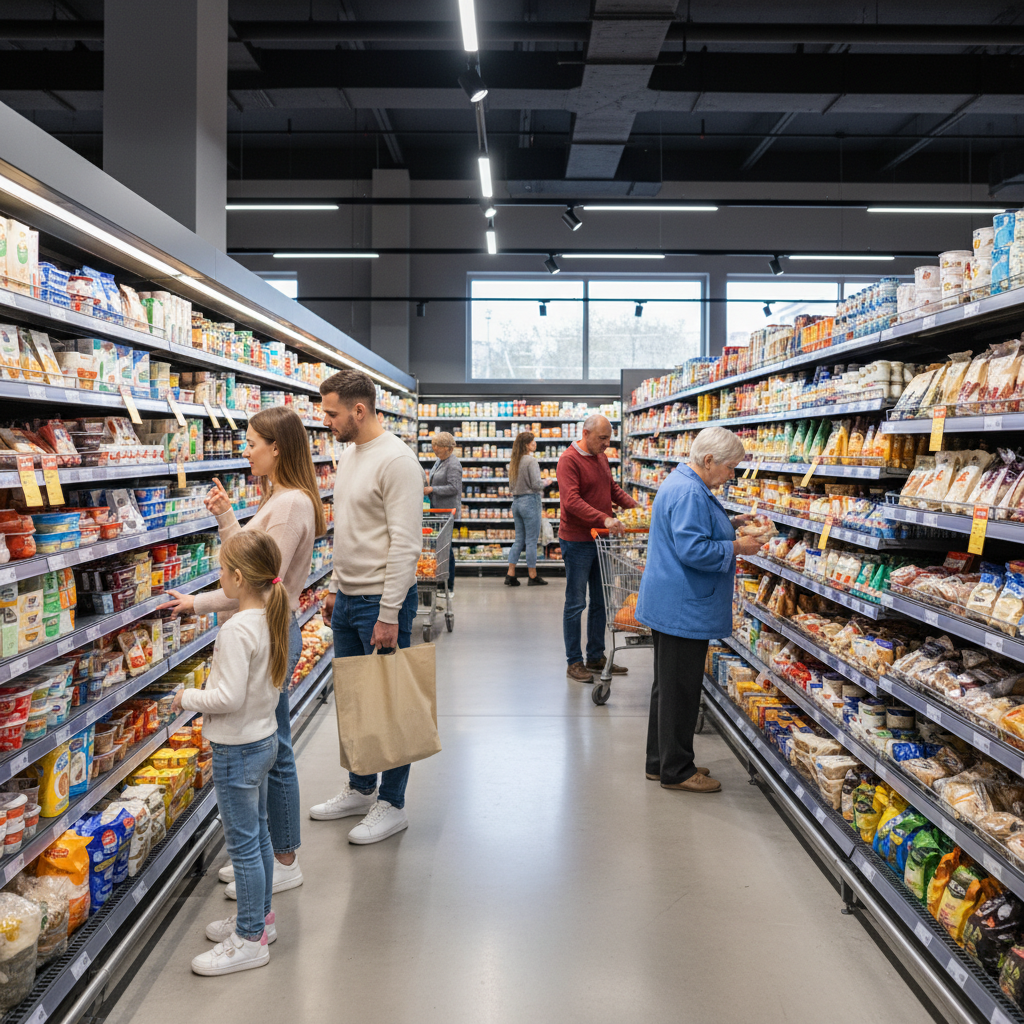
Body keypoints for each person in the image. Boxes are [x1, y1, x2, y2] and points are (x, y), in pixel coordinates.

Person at [159, 406, 325, 898]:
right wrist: (227, 517)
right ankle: (267, 857)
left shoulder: (291, 504)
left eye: (252, 442)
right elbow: (250, 563)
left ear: (277, 448)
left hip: (270, 632)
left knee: (275, 749)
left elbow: (254, 584)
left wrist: (195, 603)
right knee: (271, 743)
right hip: (268, 629)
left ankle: (282, 858)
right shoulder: (280, 498)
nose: (245, 450)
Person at [309, 368, 424, 844]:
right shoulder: (349, 453)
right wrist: (335, 584)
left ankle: (391, 804)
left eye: (332, 413)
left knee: (390, 703)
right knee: (356, 700)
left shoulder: (397, 460)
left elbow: (405, 545)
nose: (326, 421)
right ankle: (360, 787)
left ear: (360, 409)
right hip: (349, 596)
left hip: (382, 600)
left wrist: (389, 613)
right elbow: (348, 530)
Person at [175, 530, 290, 976]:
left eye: (222, 571)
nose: (219, 578)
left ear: (239, 578)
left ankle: (249, 939)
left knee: (241, 847)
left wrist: (187, 697)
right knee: (258, 836)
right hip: (263, 741)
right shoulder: (268, 618)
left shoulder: (237, 629)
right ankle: (260, 919)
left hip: (236, 750)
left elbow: (226, 697)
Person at [636, 426, 762, 794]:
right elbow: (693, 551)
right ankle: (677, 770)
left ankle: (660, 762)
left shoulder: (684, 481)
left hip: (672, 601)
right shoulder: (691, 491)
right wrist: (736, 546)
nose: (732, 475)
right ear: (708, 461)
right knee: (681, 690)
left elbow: (695, 532)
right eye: (730, 467)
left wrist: (729, 525)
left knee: (668, 688)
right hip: (682, 607)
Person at [556, 414, 638, 683]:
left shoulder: (601, 456)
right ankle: (574, 661)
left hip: (601, 540)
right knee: (576, 603)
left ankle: (595, 656)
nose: (607, 444)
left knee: (601, 601)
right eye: (602, 438)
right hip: (577, 540)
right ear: (586, 433)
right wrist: (604, 517)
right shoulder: (569, 460)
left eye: (609, 439)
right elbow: (571, 501)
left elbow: (611, 489)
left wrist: (636, 508)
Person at [505, 431, 547, 586]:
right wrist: (547, 482)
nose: (535, 444)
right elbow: (536, 485)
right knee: (531, 541)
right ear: (526, 445)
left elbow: (510, 486)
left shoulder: (513, 462)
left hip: (516, 502)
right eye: (532, 442)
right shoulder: (531, 461)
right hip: (530, 502)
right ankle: (532, 576)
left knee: (518, 540)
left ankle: (510, 574)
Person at [423, 430, 461, 592]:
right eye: (433, 445)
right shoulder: (440, 461)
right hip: (437, 511)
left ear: (447, 448)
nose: (434, 448)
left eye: (437, 445)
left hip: (447, 513)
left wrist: (432, 489)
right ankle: (440, 582)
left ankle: (449, 586)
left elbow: (454, 488)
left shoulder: (453, 464)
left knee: (446, 549)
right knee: (441, 548)